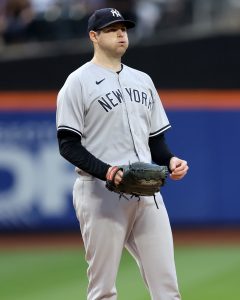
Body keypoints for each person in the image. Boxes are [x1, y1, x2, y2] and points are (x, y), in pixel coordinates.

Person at [56, 7, 188, 300]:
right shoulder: (77, 83)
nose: (120, 34)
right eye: (111, 29)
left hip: (146, 191)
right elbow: (68, 144)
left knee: (167, 288)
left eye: (123, 29)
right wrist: (107, 171)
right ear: (94, 36)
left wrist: (170, 160)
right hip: (101, 193)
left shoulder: (143, 80)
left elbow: (156, 141)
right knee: (103, 290)